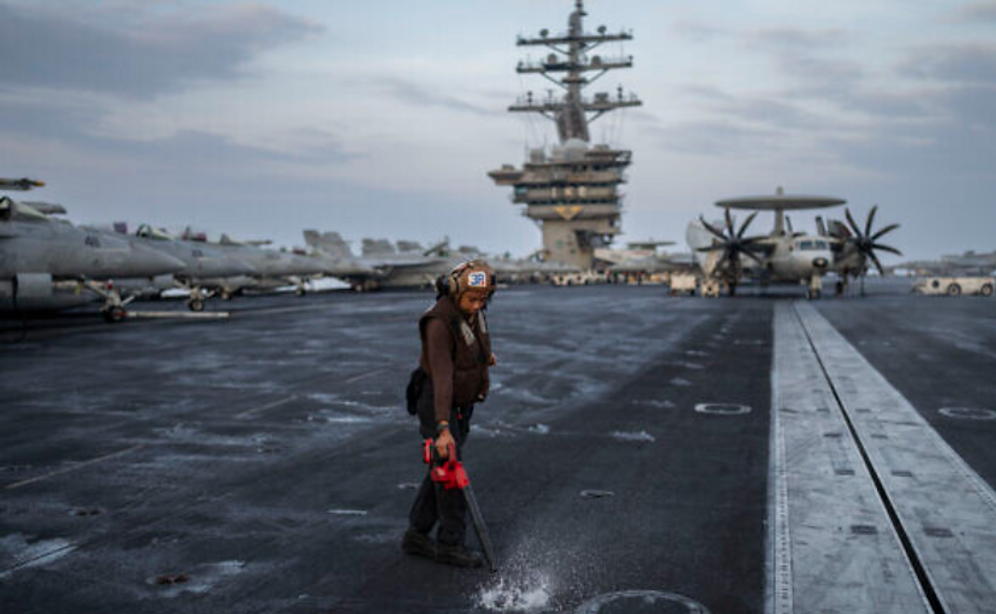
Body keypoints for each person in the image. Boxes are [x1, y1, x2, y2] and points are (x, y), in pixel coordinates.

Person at [402, 260, 497, 568]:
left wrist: (483, 360)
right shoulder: (438, 323)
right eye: (472, 298)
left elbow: (475, 342)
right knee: (451, 472)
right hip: (437, 402)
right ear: (455, 292)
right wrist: (443, 428)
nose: (477, 305)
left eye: (483, 299)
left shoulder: (474, 311)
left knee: (441, 468)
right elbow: (442, 376)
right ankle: (450, 543)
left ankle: (417, 533)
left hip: (461, 403)